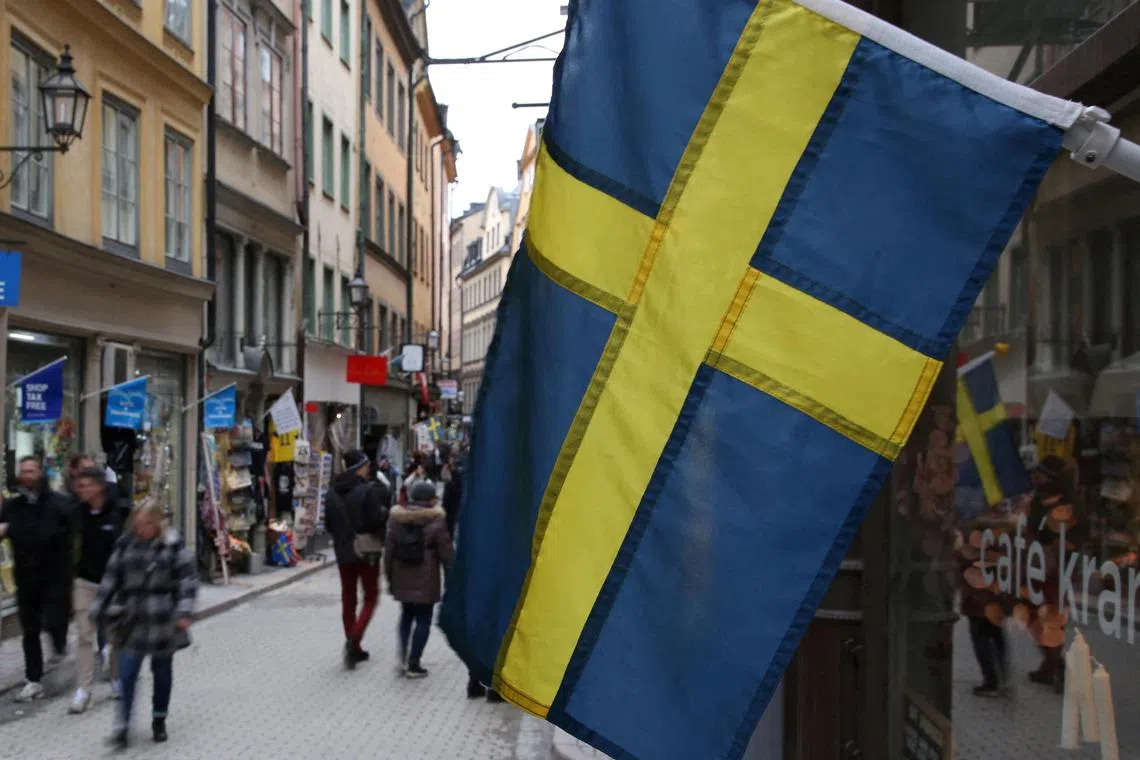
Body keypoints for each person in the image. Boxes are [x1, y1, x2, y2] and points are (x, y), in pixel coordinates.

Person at [90, 498, 197, 748]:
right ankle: (122, 728)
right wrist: (97, 611)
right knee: (126, 674)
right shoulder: (126, 546)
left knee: (161, 674)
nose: (142, 529)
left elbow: (187, 581)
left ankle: (159, 719)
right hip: (133, 620)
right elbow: (110, 580)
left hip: (163, 621)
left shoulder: (172, 547)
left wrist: (183, 611)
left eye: (147, 524)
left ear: (158, 523)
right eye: (138, 524)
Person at [0, 455, 73, 702]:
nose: (27, 475)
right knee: (29, 631)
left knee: (55, 620)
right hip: (26, 578)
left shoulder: (59, 504)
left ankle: (60, 644)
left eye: (31, 471)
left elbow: (69, 532)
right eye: (24, 471)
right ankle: (33, 680)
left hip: (54, 577)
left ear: (40, 473)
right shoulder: (13, 506)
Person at [325, 449, 390, 669]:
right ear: (359, 467)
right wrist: (383, 514)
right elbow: (376, 520)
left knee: (348, 598)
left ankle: (355, 646)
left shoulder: (332, 493)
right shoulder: (366, 491)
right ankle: (354, 640)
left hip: (343, 551)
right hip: (366, 550)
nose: (368, 469)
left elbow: (328, 526)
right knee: (371, 596)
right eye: (365, 466)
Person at [385, 480, 454, 678]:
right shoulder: (437, 522)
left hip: (401, 577)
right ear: (431, 499)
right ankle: (414, 663)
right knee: (423, 619)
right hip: (427, 581)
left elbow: (389, 553)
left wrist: (390, 578)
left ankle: (402, 657)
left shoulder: (397, 520)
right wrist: (451, 579)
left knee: (406, 616)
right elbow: (447, 554)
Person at [69, 467, 124, 713]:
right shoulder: (76, 514)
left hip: (112, 584)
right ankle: (84, 690)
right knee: (85, 636)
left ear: (99, 486)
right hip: (85, 582)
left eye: (85, 485)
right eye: (78, 486)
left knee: (114, 637)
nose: (80, 490)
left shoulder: (118, 511)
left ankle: (116, 678)